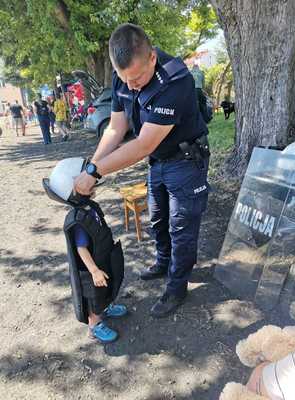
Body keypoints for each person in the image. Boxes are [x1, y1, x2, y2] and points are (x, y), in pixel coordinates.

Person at [74, 23, 210, 318]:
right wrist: (91, 165)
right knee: (158, 218)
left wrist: (96, 173)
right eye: (125, 80)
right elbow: (117, 126)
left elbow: (142, 145)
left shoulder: (175, 80)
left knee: (181, 226)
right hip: (159, 161)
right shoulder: (124, 74)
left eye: (137, 79)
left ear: (151, 58)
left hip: (185, 161)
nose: (131, 85)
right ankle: (164, 263)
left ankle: (177, 287)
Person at [43, 157, 127, 343]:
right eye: (89, 184)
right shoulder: (79, 221)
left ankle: (106, 308)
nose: (93, 185)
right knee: (94, 297)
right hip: (91, 268)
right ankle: (94, 325)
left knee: (108, 286)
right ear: (74, 191)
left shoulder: (89, 207)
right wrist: (94, 271)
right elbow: (81, 249)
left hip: (102, 257)